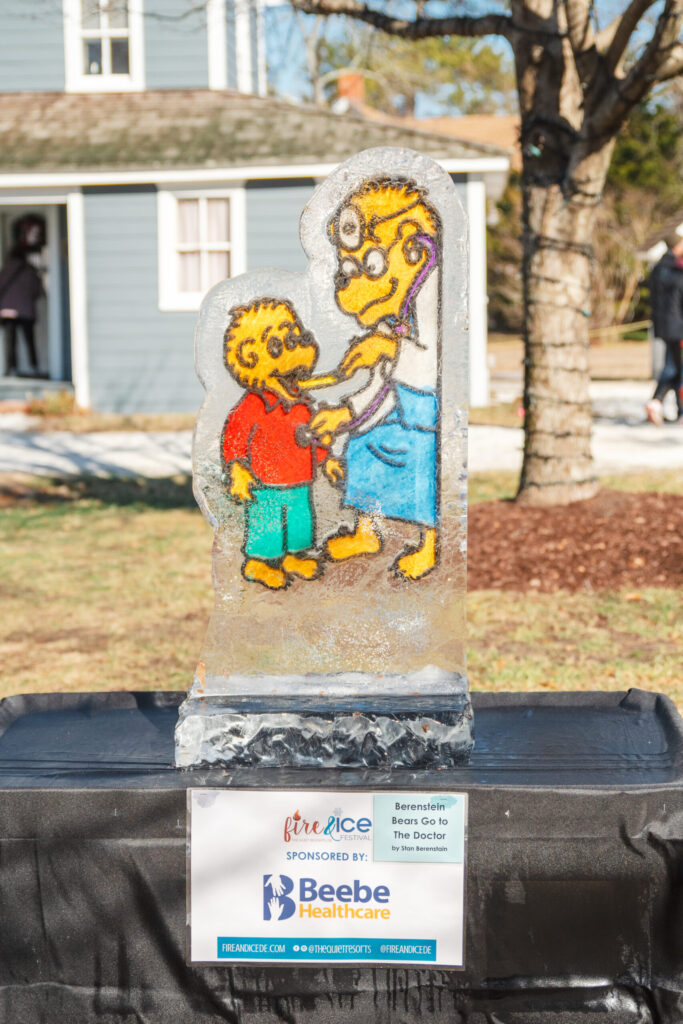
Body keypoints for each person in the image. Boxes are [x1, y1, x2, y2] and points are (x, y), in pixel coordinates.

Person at [645, 231, 683, 425]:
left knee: (675, 367)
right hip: (678, 326)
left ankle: (666, 405)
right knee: (674, 367)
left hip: (662, 324)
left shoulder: (658, 268)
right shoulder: (677, 269)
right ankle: (658, 402)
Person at [0, 242, 43, 377]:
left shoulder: (5, 269)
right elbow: (37, 290)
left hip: (7, 310)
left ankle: (12, 368)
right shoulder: (30, 271)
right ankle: (34, 367)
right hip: (25, 310)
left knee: (10, 342)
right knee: (29, 340)